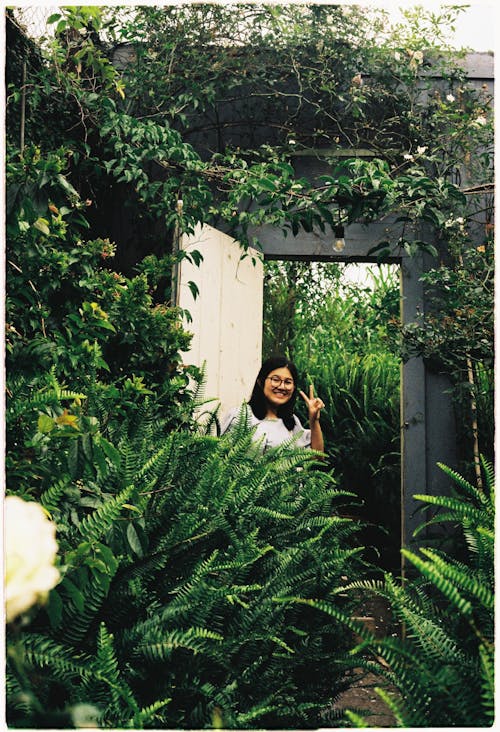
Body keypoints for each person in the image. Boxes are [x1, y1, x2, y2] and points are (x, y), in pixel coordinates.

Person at [220, 356, 325, 452]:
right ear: (261, 382)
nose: (281, 386)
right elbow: (217, 458)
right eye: (276, 380)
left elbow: (316, 457)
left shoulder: (291, 422)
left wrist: (314, 420)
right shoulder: (240, 415)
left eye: (288, 382)